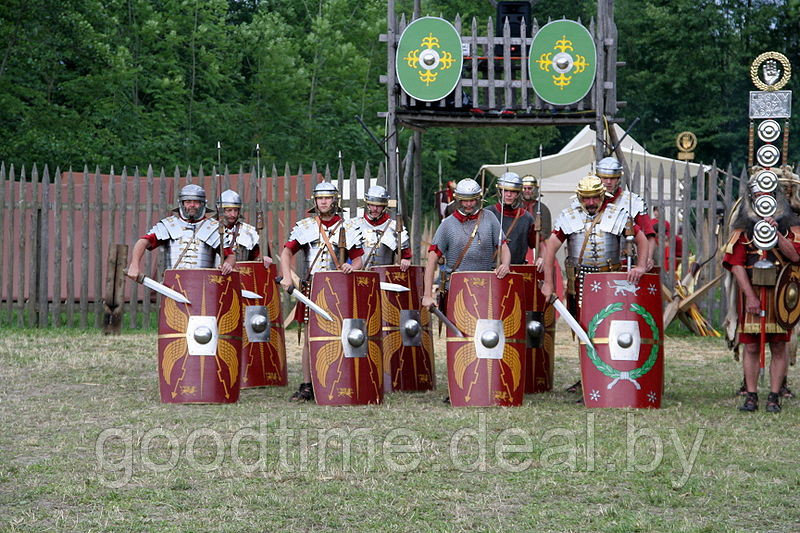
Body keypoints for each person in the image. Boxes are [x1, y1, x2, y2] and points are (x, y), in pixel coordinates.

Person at [540, 175, 648, 397]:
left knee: (610, 331)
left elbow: (642, 240)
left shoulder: (618, 214)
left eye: (594, 198)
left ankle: (609, 375)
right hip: (580, 283)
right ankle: (588, 377)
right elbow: (550, 248)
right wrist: (549, 283)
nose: (590, 203)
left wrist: (640, 267)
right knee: (584, 330)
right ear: (580, 197)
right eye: (586, 198)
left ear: (602, 196)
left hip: (611, 282)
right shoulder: (569, 216)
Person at [279, 181, 364, 402]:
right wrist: (287, 277)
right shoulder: (305, 226)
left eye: (327, 198)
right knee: (309, 338)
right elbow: (287, 252)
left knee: (340, 335)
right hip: (312, 289)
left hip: (339, 290)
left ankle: (338, 379)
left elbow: (359, 259)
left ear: (334, 200)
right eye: (320, 198)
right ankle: (308, 385)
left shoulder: (349, 227)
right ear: (315, 201)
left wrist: (351, 267)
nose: (324, 201)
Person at [722, 177, 800, 413]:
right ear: (751, 198)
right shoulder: (743, 229)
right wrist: (751, 298)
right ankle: (752, 395)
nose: (761, 200)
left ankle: (774, 396)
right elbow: (735, 264)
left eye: (765, 195)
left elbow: (795, 257)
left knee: (778, 346)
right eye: (756, 196)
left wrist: (776, 234)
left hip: (780, 293)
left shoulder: (790, 225)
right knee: (752, 347)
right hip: (752, 292)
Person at [421, 178, 511, 310]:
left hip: (485, 288)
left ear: (478, 199)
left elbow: (503, 247)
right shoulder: (447, 224)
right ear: (458, 200)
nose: (469, 204)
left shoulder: (490, 218)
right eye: (465, 200)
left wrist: (505, 264)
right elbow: (431, 260)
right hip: (456, 289)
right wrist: (427, 295)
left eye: (472, 200)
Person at [127, 184, 235, 279]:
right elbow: (143, 242)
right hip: (172, 287)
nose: (192, 205)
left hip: (203, 288)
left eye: (196, 202)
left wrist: (228, 265)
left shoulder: (213, 228)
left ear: (203, 204)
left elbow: (230, 255)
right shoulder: (169, 225)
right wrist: (134, 264)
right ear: (182, 204)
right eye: (188, 201)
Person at [596, 157, 656, 270]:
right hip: (592, 265)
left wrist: (647, 258)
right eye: (605, 178)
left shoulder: (633, 202)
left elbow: (648, 235)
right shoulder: (589, 202)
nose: (608, 182)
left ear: (618, 179)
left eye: (613, 178)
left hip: (624, 264)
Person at [486, 172, 541, 265]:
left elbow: (536, 244)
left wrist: (540, 257)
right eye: (505, 191)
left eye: (513, 191)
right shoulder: (487, 214)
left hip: (517, 270)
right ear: (500, 192)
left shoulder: (527, 218)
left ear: (518, 193)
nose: (509, 194)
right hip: (490, 269)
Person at [356, 185, 412, 271]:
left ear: (384, 206)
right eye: (372, 205)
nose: (375, 209)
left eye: (379, 206)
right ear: (367, 204)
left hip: (385, 278)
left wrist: (405, 260)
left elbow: (406, 255)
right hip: (360, 278)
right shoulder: (355, 226)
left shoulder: (394, 227)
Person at [217, 189, 272, 266]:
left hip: (241, 275)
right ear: (221, 211)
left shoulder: (248, 232)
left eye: (235, 210)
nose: (233, 214)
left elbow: (255, 259)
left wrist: (263, 259)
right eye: (229, 210)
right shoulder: (210, 230)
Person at [521, 174, 552, 239]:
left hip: (536, 245)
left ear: (535, 189)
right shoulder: (515, 207)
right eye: (524, 188)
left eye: (529, 188)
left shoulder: (543, 209)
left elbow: (546, 232)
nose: (527, 191)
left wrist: (536, 238)